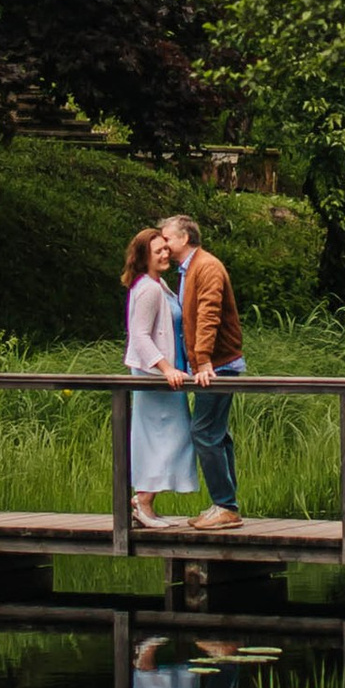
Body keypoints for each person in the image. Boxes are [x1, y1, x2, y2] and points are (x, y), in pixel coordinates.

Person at [158, 212, 244, 530]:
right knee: (216, 433)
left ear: (184, 238)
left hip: (218, 365)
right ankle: (225, 503)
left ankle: (226, 506)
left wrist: (204, 360)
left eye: (167, 238)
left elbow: (209, 314)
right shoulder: (189, 269)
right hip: (211, 364)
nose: (163, 244)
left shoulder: (206, 267)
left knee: (204, 432)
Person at [120, 226, 194, 526]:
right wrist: (166, 369)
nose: (165, 254)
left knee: (170, 437)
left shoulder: (158, 284)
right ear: (144, 257)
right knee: (167, 437)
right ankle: (143, 501)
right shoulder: (148, 289)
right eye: (158, 251)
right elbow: (139, 336)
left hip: (167, 374)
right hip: (154, 375)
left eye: (165, 248)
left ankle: (145, 501)